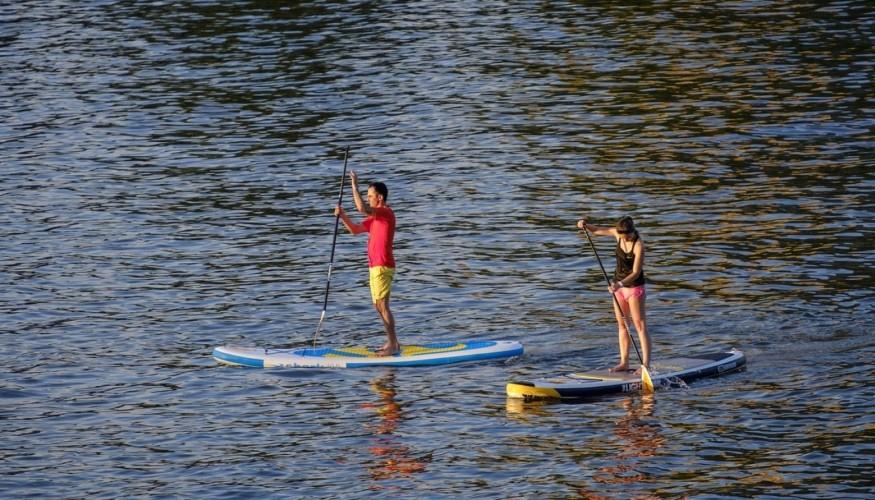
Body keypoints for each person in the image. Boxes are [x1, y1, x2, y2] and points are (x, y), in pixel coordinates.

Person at [577, 215, 651, 374]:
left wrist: (620, 284)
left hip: (634, 287)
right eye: (622, 237)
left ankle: (645, 365)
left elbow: (636, 272)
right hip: (618, 288)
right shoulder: (618, 234)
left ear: (631, 233)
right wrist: (585, 225)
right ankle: (624, 362)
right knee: (622, 325)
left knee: (639, 325)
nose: (624, 239)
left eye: (627, 237)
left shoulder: (639, 245)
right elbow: (596, 230)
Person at [335, 170, 399, 356]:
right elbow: (355, 230)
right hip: (374, 267)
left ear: (379, 198)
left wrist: (354, 185)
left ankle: (393, 344)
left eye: (370, 196)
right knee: (378, 305)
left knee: (382, 305)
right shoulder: (374, 218)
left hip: (383, 265)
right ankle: (393, 342)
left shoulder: (385, 213)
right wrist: (342, 216)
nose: (368, 199)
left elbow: (362, 208)